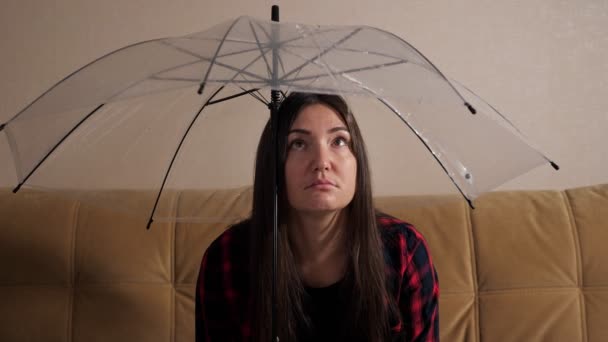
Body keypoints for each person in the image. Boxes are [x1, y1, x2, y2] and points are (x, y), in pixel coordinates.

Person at [195, 92, 439, 342]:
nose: (322, 162)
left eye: (339, 141)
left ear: (358, 162)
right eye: (298, 144)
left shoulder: (404, 250)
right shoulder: (225, 258)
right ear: (274, 165)